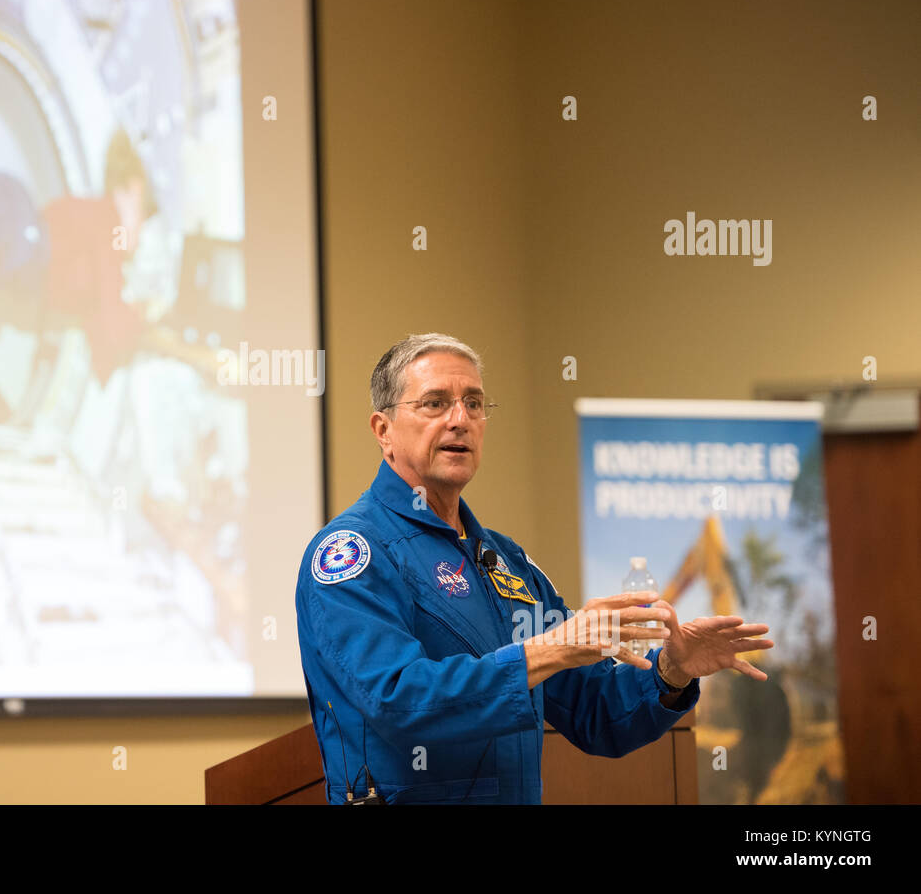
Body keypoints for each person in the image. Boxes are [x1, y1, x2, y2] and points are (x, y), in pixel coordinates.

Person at [295, 333, 774, 804]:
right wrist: (551, 647)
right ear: (383, 431)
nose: (460, 420)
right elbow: (399, 700)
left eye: (475, 403)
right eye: (435, 403)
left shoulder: (508, 561)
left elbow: (595, 714)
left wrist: (671, 670)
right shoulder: (352, 554)